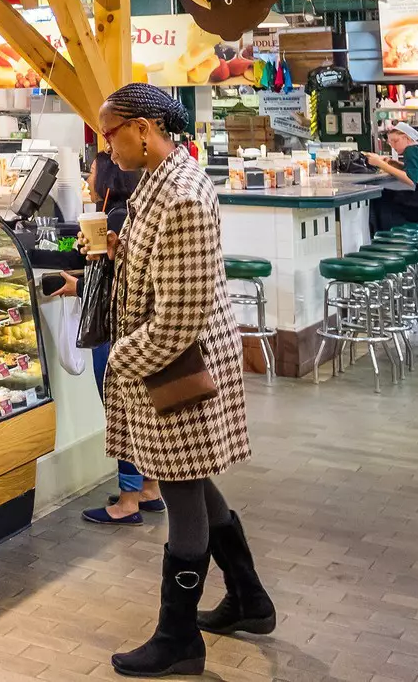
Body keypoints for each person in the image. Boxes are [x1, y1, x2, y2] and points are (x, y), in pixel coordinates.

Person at [97, 83, 271, 678]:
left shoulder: (184, 195)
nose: (106, 144)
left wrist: (120, 359)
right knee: (189, 479)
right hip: (173, 365)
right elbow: (165, 275)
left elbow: (178, 319)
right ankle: (250, 600)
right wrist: (120, 254)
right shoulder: (157, 181)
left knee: (181, 494)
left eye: (110, 131)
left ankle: (179, 639)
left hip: (180, 367)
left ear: (144, 129)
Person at [80, 143, 164, 527]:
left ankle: (128, 499)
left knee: (124, 410)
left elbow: (119, 282)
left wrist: (95, 262)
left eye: (94, 171)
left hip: (119, 329)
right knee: (140, 410)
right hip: (135, 328)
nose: (89, 179)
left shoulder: (114, 216)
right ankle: (149, 488)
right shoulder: (129, 212)